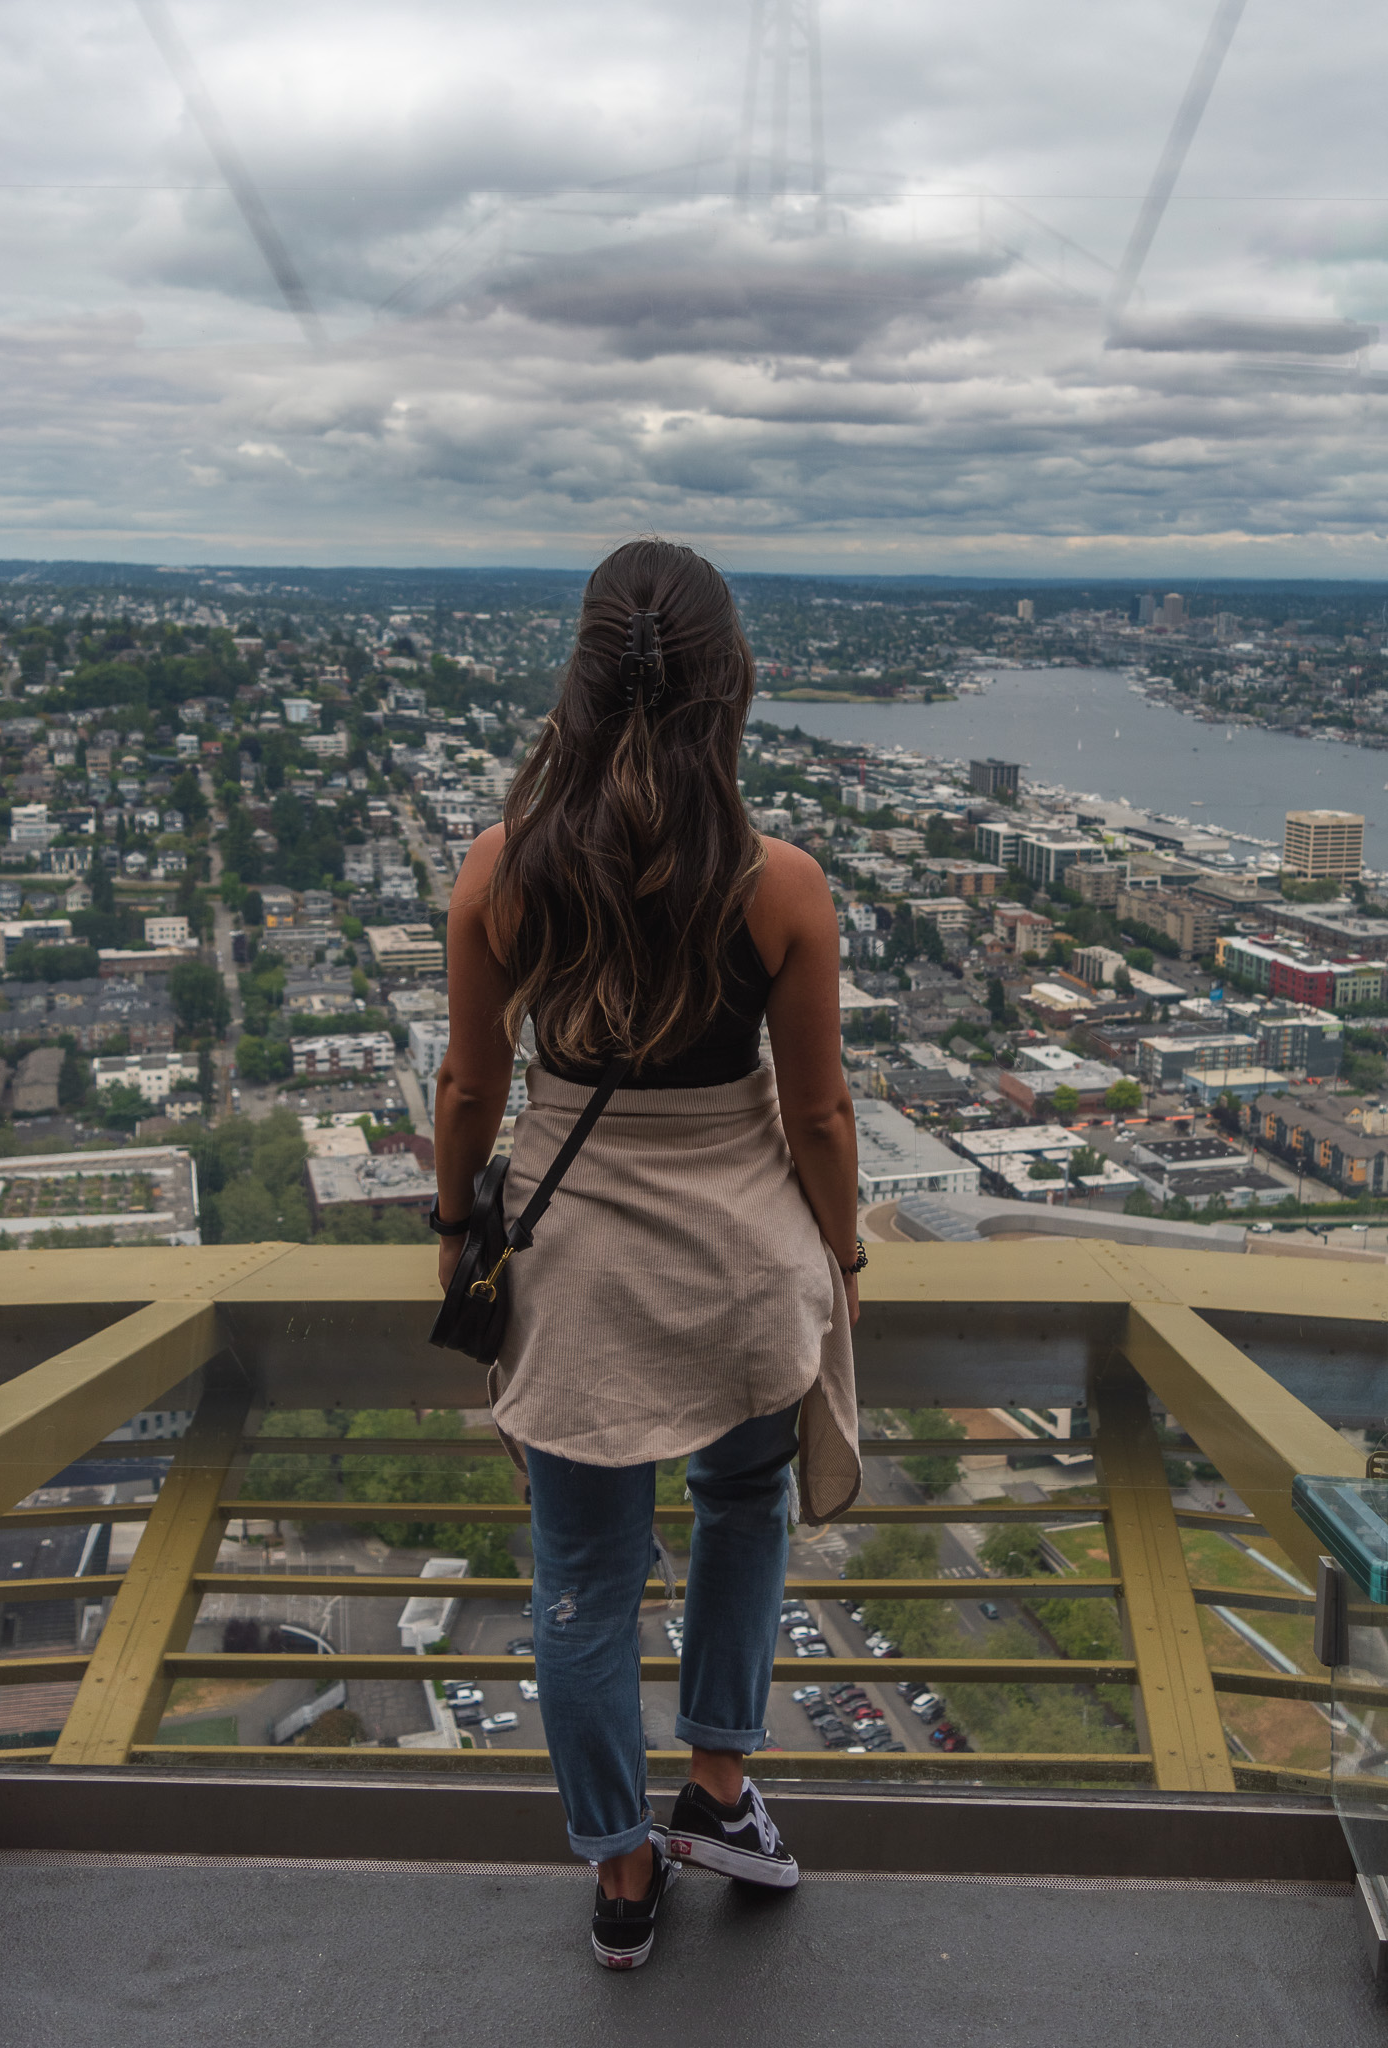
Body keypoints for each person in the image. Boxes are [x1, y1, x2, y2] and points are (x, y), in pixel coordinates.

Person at [434, 538, 862, 1970]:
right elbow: (816, 1112)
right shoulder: (779, 883)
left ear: (576, 684)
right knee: (745, 1510)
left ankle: (623, 1877)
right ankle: (722, 1793)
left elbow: (469, 1092)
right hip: (741, 1258)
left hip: (576, 1266)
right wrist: (845, 1254)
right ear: (730, 687)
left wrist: (453, 1234)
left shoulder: (501, 870)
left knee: (582, 1579)